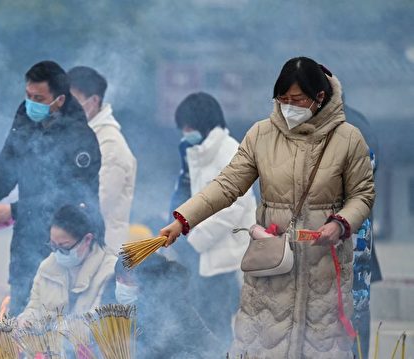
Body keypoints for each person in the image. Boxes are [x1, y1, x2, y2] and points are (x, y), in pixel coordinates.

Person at [160, 57, 375, 358]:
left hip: (325, 263)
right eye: (282, 99)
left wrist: (340, 223)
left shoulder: (348, 139)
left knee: (321, 345)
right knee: (263, 343)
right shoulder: (260, 134)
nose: (288, 106)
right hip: (272, 261)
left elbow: (362, 195)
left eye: (297, 100)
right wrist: (183, 221)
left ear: (320, 97)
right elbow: (226, 186)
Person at [0, 60, 101, 315]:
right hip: (26, 245)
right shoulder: (24, 122)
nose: (31, 103)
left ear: (59, 100)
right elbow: (4, 168)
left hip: (66, 249)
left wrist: (15, 211)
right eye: (28, 95)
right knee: (21, 323)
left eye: (39, 98)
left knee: (56, 332)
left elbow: (72, 197)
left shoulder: (80, 138)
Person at [168, 92, 257, 343]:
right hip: (206, 258)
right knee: (206, 325)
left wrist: (195, 239)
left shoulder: (230, 151)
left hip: (228, 258)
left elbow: (231, 208)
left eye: (187, 126)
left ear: (202, 123)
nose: (185, 133)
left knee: (219, 328)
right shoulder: (199, 153)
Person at [68, 66, 137, 251]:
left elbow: (98, 203)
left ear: (93, 101)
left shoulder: (110, 145)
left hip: (101, 251)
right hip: (78, 248)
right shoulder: (77, 136)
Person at [113, 253, 222, 358]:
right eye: (118, 278)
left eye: (126, 278)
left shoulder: (168, 307)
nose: (120, 283)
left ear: (145, 278)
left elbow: (155, 349)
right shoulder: (126, 307)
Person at [19, 204, 116, 321]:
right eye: (53, 246)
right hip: (49, 338)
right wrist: (26, 321)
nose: (58, 253)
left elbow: (97, 322)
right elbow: (34, 308)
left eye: (64, 247)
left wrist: (55, 330)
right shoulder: (47, 267)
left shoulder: (110, 270)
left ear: (87, 240)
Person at [344, 102, 382, 358]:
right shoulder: (360, 120)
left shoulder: (348, 128)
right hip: (356, 237)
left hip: (350, 236)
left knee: (352, 311)